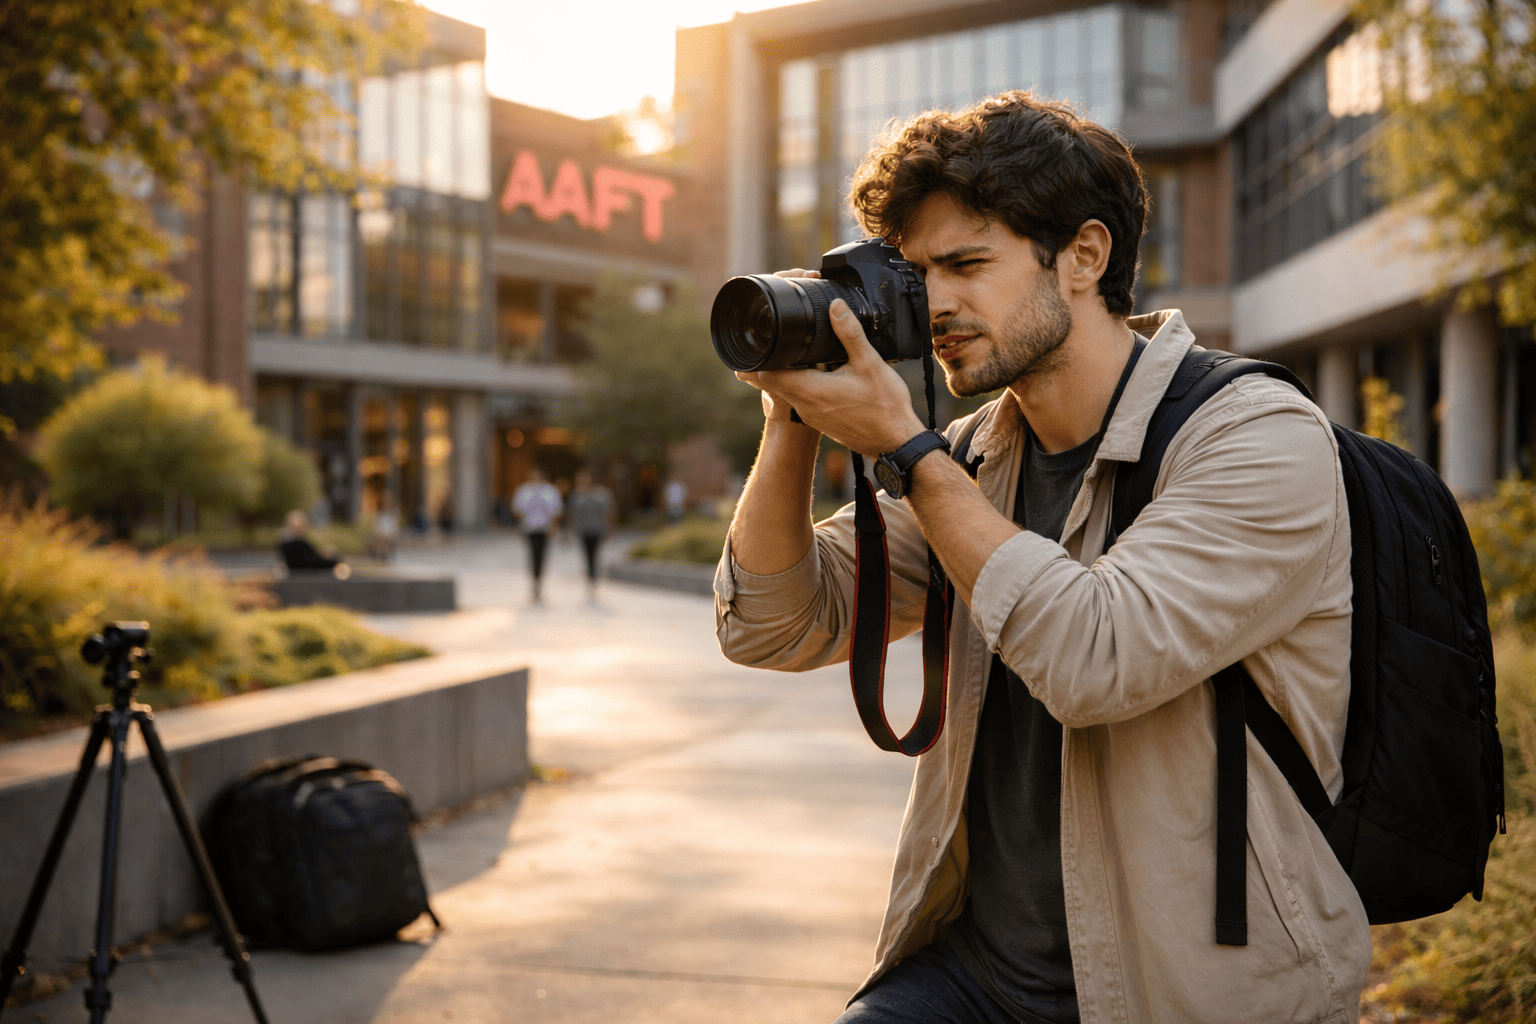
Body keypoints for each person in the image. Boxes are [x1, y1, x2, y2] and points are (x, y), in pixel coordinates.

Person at [716, 91, 1367, 1024]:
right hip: (973, 975)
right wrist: (794, 412)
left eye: (966, 264)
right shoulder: (980, 454)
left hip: (1189, 994)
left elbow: (1098, 659)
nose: (935, 301)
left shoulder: (1254, 437)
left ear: (1085, 257)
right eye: (916, 272)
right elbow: (773, 625)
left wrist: (908, 450)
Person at [512, 467, 563, 602]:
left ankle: (539, 579)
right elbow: (517, 510)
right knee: (532, 553)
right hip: (529, 528)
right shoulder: (524, 490)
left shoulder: (550, 491)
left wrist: (553, 525)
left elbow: (556, 510)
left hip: (544, 528)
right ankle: (534, 580)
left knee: (542, 554)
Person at [568, 468, 615, 601]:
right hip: (583, 530)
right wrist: (571, 529)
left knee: (595, 554)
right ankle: (590, 578)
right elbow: (573, 514)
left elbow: (609, 512)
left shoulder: (602, 494)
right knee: (586, 554)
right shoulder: (577, 495)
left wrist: (610, 529)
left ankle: (593, 577)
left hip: (598, 530)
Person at [278, 509, 343, 572]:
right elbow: (315, 562)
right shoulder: (299, 544)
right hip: (305, 578)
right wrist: (334, 560)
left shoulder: (284, 545)